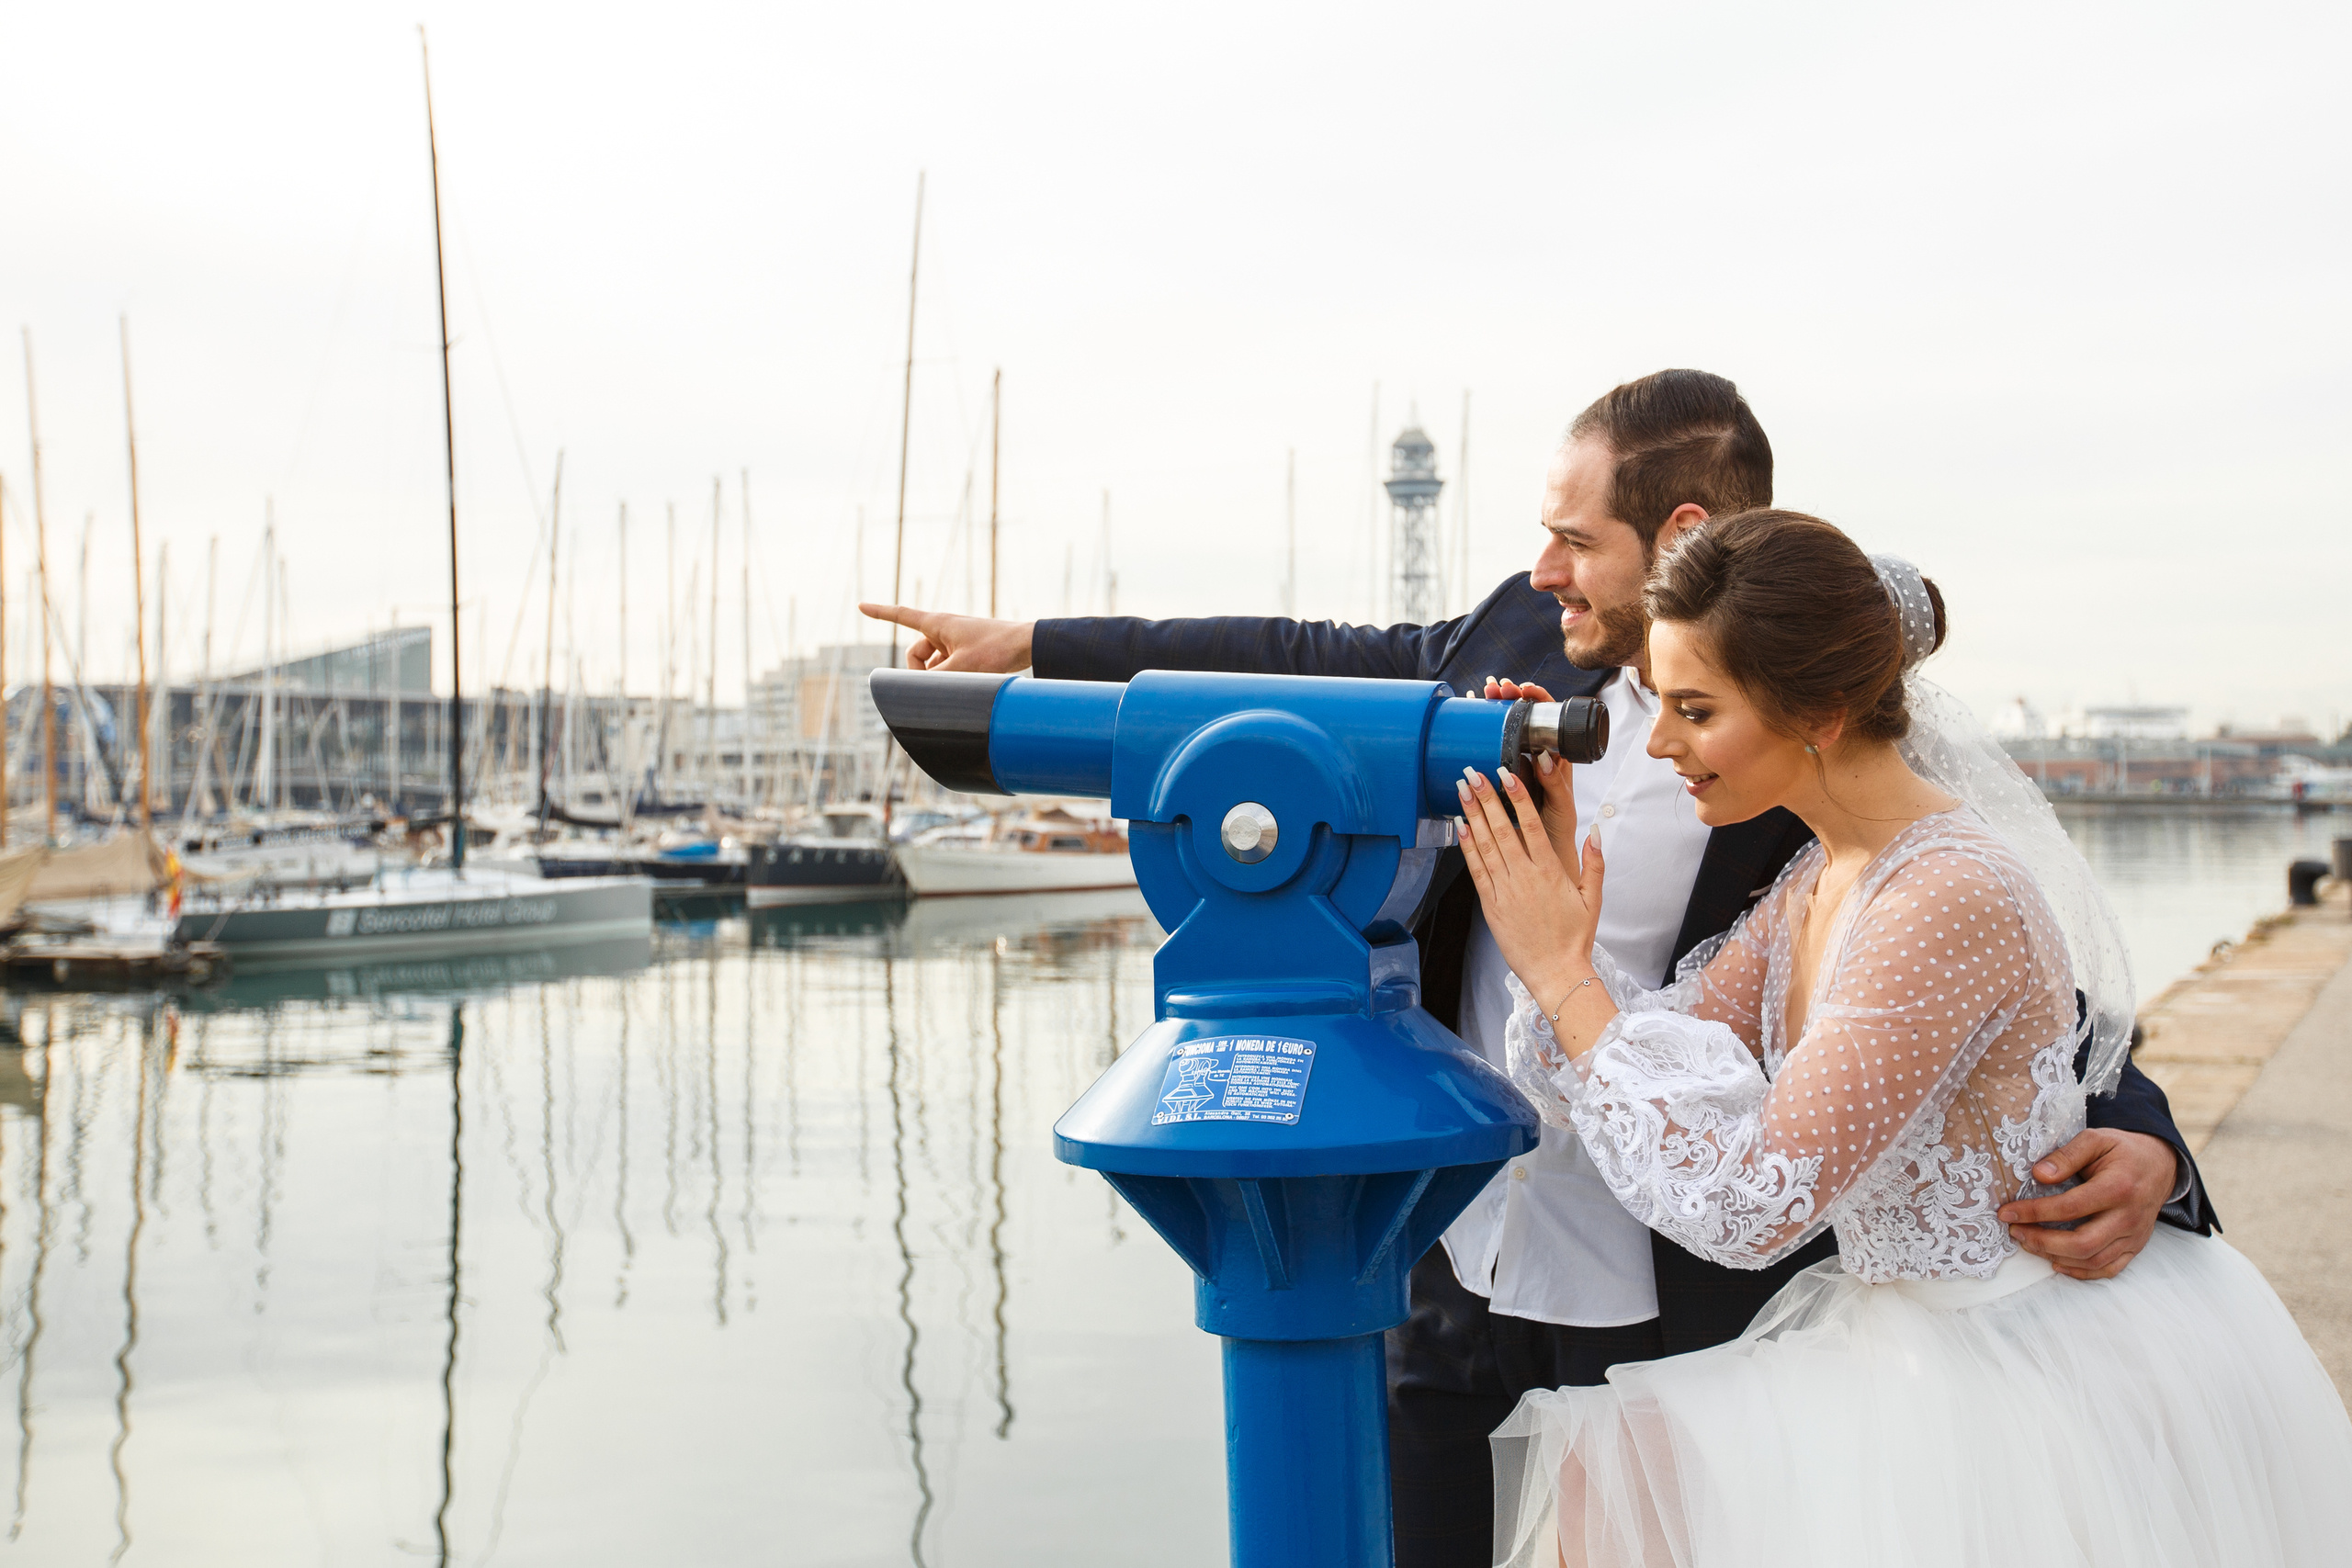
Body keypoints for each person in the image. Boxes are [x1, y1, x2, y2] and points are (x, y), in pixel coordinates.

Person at [861, 369, 2209, 1568]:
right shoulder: (1511, 637)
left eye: (1576, 537)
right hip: (1461, 1239)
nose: (1546, 568)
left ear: (1680, 536)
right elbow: (1307, 657)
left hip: (1686, 1301)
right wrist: (1038, 650)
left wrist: (2141, 1135)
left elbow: (1983, 957)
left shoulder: (1796, 697)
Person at [1456, 510, 2350, 1566]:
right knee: (1614, 1495)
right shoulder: (1821, 875)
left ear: (1820, 712)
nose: (1658, 744)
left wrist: (1561, 973)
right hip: (1895, 1342)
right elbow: (1617, 1069)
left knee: (1624, 1491)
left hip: (2003, 1367)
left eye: (1693, 710)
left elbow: (1750, 1202)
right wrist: (1563, 925)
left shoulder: (1944, 895)